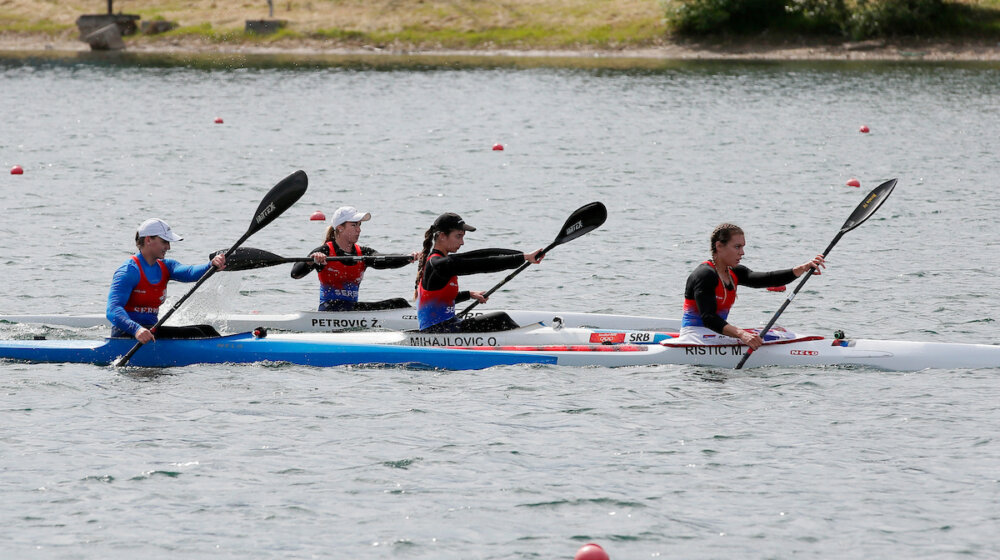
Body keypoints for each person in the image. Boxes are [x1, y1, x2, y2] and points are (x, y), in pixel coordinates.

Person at [679, 223, 826, 349]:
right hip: (694, 337)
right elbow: (708, 318)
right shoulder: (705, 274)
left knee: (778, 332)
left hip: (716, 335)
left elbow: (768, 279)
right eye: (737, 247)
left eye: (742, 247)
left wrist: (802, 268)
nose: (742, 252)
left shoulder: (734, 272)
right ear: (719, 246)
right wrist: (742, 334)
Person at [415, 212, 544, 332]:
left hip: (447, 327)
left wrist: (469, 294)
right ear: (442, 236)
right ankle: (528, 344)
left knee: (498, 319)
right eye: (458, 236)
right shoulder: (438, 264)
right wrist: (522, 258)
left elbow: (482, 254)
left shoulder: (441, 261)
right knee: (500, 319)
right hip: (437, 332)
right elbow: (482, 264)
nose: (462, 242)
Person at [107, 218, 226, 342]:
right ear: (148, 240)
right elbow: (112, 309)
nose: (168, 247)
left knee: (206, 330)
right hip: (127, 334)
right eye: (164, 241)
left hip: (150, 333)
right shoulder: (129, 271)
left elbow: (190, 272)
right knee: (196, 333)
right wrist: (136, 329)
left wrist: (211, 265)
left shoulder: (166, 266)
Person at [291, 206, 415, 312]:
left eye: (359, 225)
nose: (359, 229)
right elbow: (295, 274)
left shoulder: (363, 253)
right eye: (354, 225)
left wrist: (408, 258)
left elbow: (384, 260)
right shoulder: (325, 251)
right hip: (330, 310)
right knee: (342, 305)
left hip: (352, 310)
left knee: (399, 304)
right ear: (340, 227)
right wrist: (311, 261)